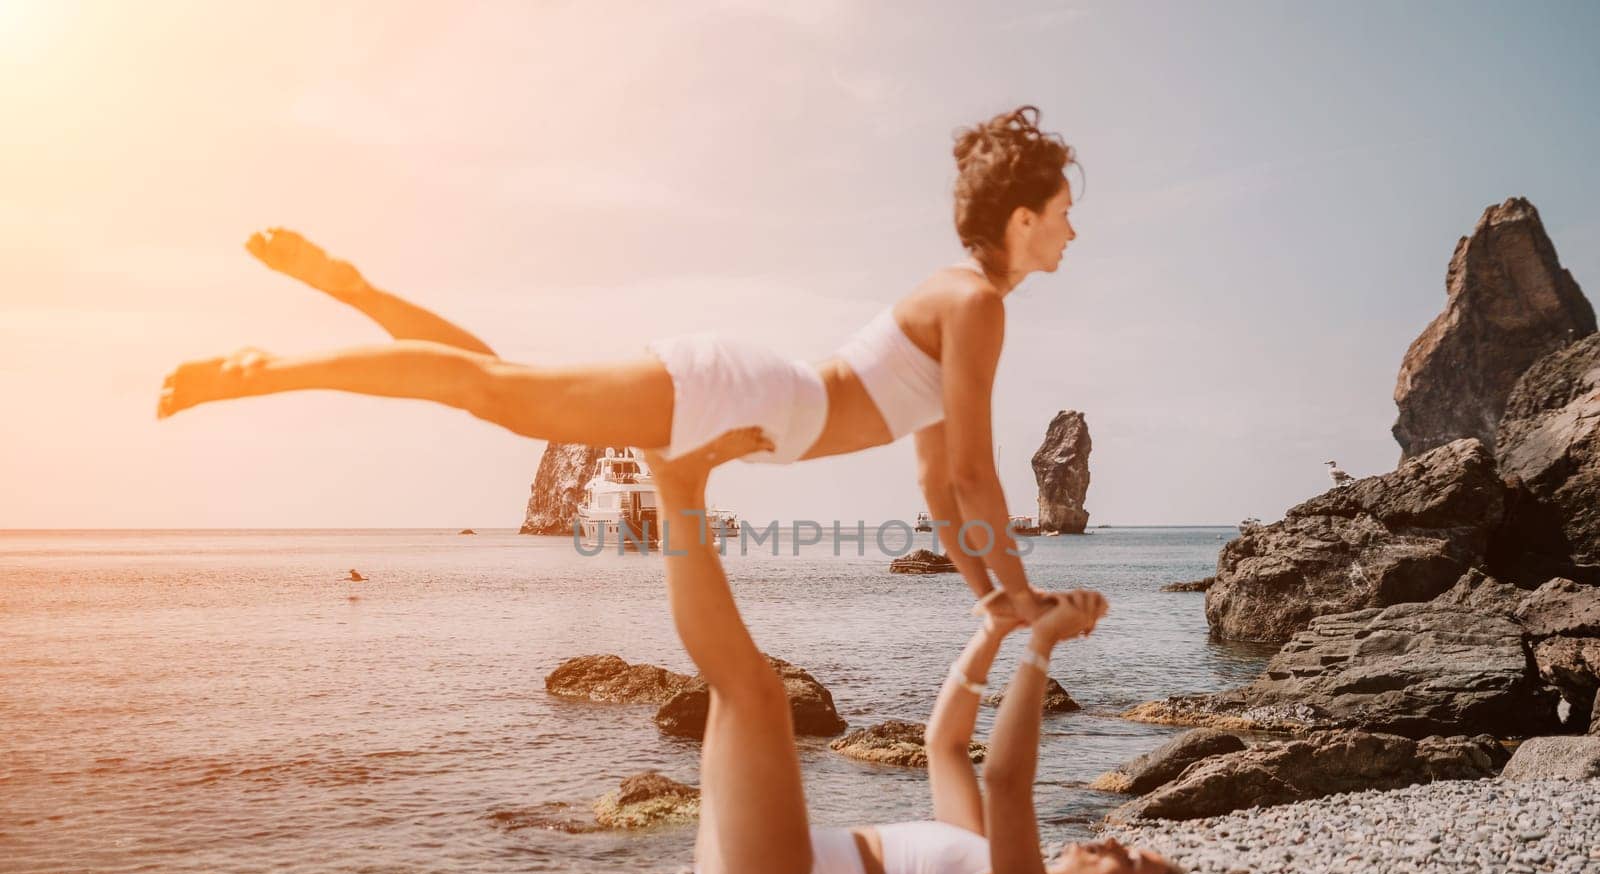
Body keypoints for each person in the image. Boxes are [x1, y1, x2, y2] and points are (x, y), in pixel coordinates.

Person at [157, 106, 1080, 625]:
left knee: (498, 384)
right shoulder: (977, 304)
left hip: (752, 396)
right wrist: (1020, 593)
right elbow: (971, 477)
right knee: (496, 393)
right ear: (1022, 219)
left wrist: (995, 602)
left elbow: (938, 489)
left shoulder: (956, 298)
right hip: (744, 394)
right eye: (1063, 210)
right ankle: (265, 367)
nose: (1073, 230)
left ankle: (355, 289)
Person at [642, 426, 1203, 874]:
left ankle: (676, 483)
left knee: (754, 691)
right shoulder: (987, 859)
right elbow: (946, 745)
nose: (1113, 841)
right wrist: (993, 632)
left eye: (1129, 861)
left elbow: (1006, 780)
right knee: (735, 691)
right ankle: (677, 481)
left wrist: (1042, 644)